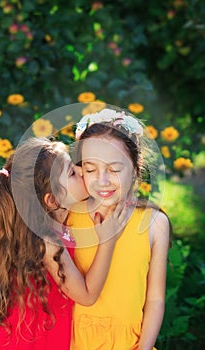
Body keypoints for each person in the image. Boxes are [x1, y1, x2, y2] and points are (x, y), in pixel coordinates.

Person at [0, 137, 129, 350]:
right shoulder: (48, 240)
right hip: (32, 341)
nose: (81, 171)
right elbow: (86, 295)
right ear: (53, 200)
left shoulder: (50, 222)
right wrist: (108, 240)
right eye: (72, 173)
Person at [68, 108, 172, 350]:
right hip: (73, 340)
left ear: (136, 168)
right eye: (91, 169)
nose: (102, 180)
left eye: (114, 169)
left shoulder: (154, 223)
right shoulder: (71, 216)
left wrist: (144, 347)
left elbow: (155, 298)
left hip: (130, 342)